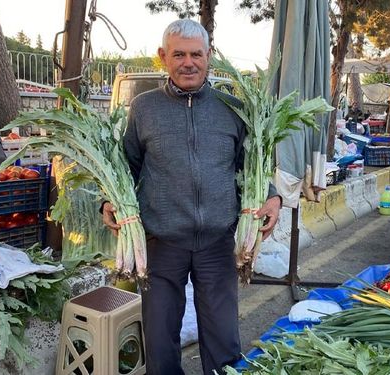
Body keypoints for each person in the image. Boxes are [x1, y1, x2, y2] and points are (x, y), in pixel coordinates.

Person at [102, 19, 282, 375]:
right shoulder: (143, 108)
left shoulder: (233, 109)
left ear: (209, 56)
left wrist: (273, 197)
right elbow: (126, 167)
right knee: (159, 339)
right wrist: (107, 202)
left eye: (196, 54)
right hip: (161, 241)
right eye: (179, 54)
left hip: (217, 242)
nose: (189, 63)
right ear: (163, 57)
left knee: (223, 337)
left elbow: (251, 168)